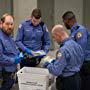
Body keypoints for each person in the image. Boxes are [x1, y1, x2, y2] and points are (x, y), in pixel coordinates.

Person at [43, 24, 84, 90]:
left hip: (67, 82)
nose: (54, 40)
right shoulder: (76, 45)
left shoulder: (63, 50)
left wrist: (47, 65)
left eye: (54, 37)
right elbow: (81, 60)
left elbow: (56, 71)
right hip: (77, 79)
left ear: (58, 35)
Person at [62, 11, 90, 90]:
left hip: (85, 65)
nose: (64, 24)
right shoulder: (73, 32)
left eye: (64, 22)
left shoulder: (80, 31)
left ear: (68, 20)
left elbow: (81, 51)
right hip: (79, 64)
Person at [0, 13, 24, 90]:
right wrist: (14, 60)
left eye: (11, 24)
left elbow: (12, 50)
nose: (10, 27)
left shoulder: (8, 36)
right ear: (1, 23)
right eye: (7, 24)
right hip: (3, 75)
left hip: (10, 74)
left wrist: (19, 54)